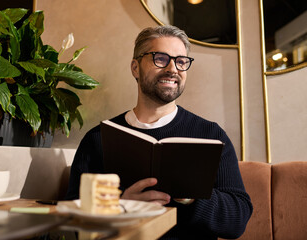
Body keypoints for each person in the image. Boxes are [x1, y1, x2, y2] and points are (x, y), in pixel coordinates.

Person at [65, 25, 253, 239]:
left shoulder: (210, 135)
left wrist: (191, 198)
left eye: (181, 61)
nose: (173, 69)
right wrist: (122, 206)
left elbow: (238, 220)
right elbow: (73, 223)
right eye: (160, 58)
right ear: (135, 68)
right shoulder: (98, 139)